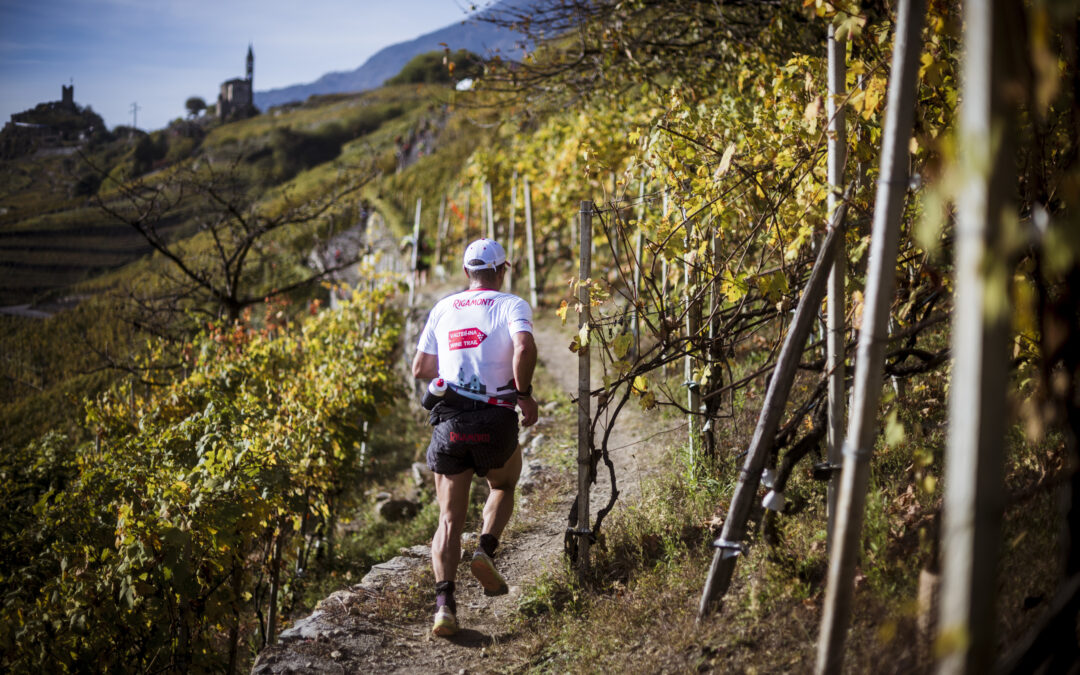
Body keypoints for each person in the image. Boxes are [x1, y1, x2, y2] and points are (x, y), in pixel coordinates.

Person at [412, 238, 538, 637]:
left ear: (467, 272)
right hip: (495, 421)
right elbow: (524, 345)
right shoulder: (511, 305)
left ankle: (445, 606)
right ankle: (485, 549)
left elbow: (420, 368)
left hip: (449, 424)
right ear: (503, 270)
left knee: (448, 520)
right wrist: (524, 393)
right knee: (503, 483)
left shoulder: (443, 307)